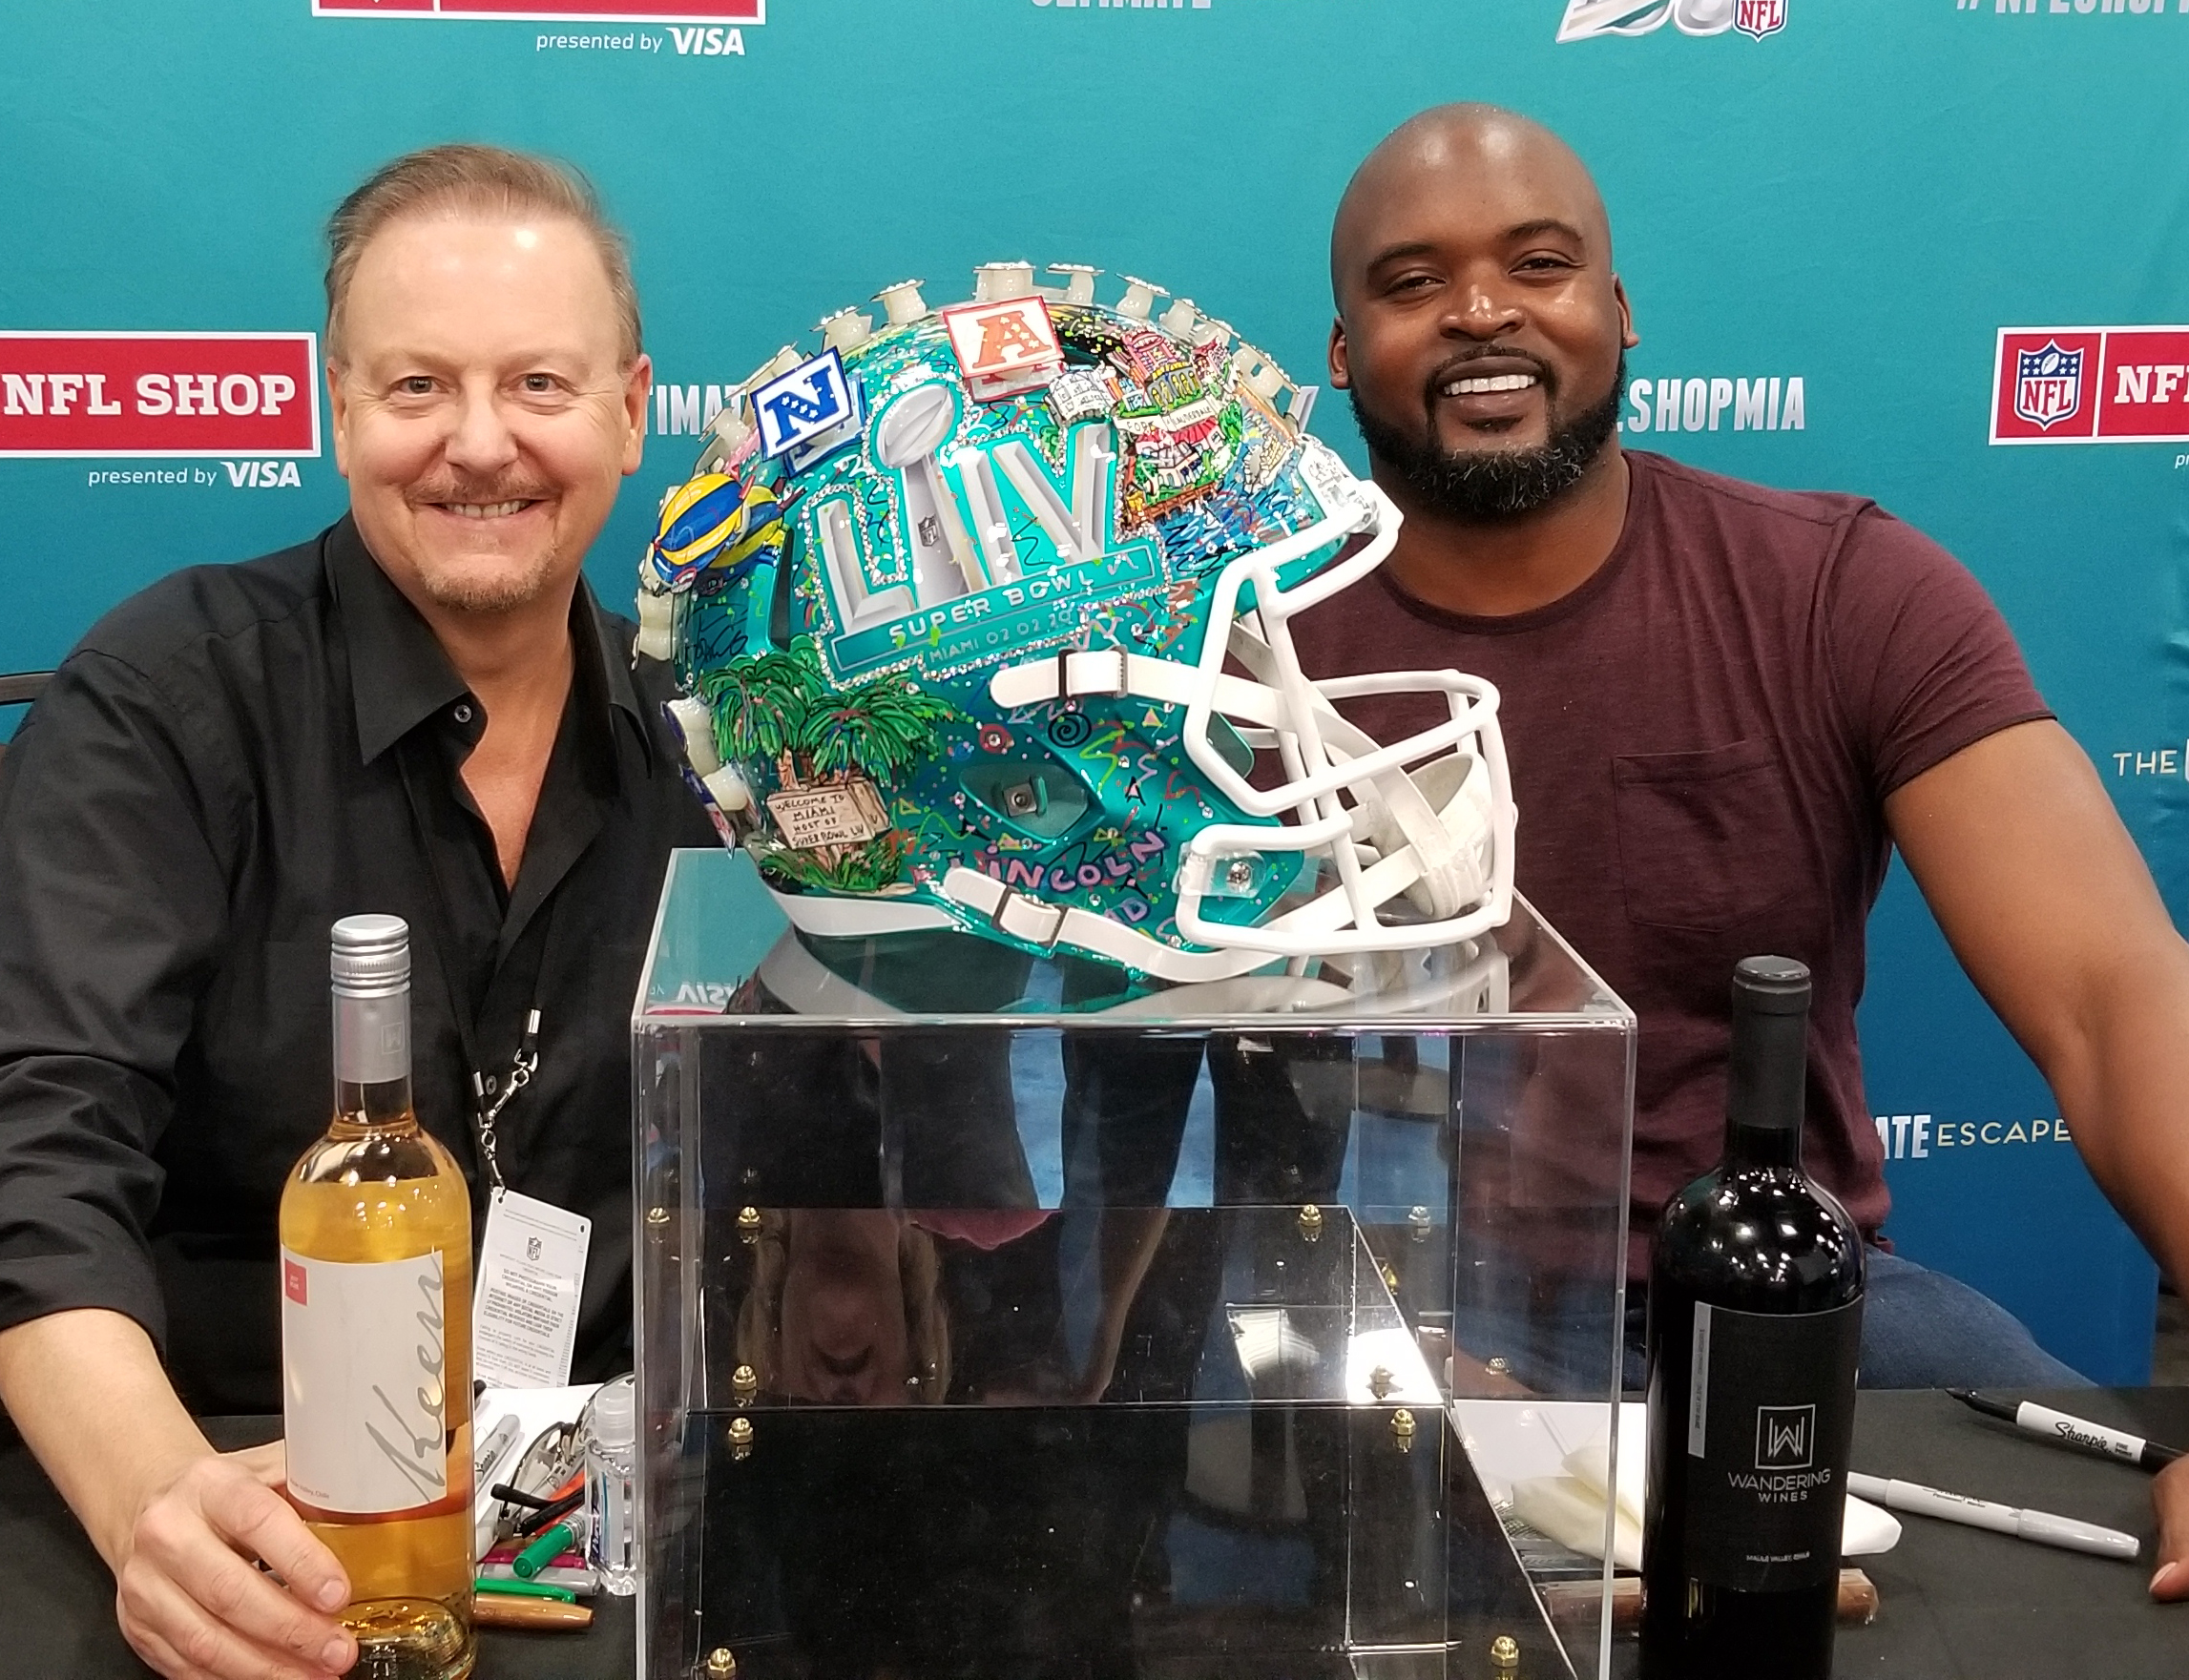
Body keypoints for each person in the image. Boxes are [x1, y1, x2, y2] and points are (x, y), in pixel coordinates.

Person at [1303, 103, 2189, 1596]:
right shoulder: (1224, 659)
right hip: (1392, 1320)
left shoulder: (1841, 589)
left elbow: (2115, 993)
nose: (1479, 311)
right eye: (1409, 283)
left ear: (1618, 311)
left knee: (2077, 1601)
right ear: (1339, 355)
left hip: (1788, 1296)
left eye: (1539, 261)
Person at [0, 145, 713, 1677]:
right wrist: (155, 1509)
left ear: (634, 408)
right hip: (224, 1491)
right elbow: (34, 1158)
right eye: (413, 388)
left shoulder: (710, 746)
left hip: (582, 1519)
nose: (478, 444)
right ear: (337, 405)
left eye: (538, 382)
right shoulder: (166, 699)